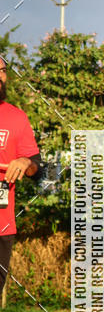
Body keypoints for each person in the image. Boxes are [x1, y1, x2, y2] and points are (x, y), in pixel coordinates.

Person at [0, 54, 42, 297]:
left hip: (2, 225)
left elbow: (37, 169)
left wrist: (26, 162)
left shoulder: (17, 117)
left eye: (3, 71)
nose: (0, 76)